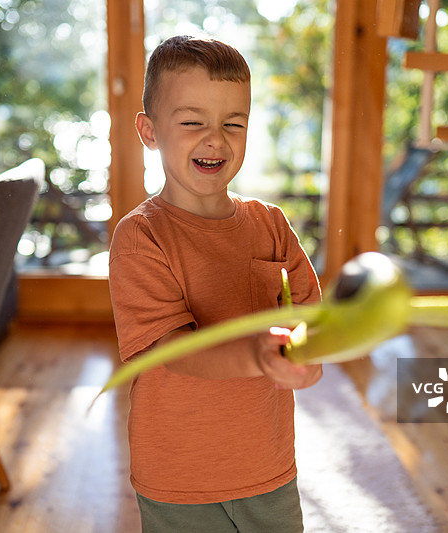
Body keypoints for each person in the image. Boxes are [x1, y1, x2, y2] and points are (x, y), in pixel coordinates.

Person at [108, 35, 322, 532]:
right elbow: (174, 350)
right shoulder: (140, 237)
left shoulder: (271, 224)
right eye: (192, 122)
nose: (215, 139)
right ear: (149, 131)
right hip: (178, 477)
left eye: (233, 123)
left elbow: (311, 317)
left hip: (269, 467)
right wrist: (258, 355)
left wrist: (312, 350)